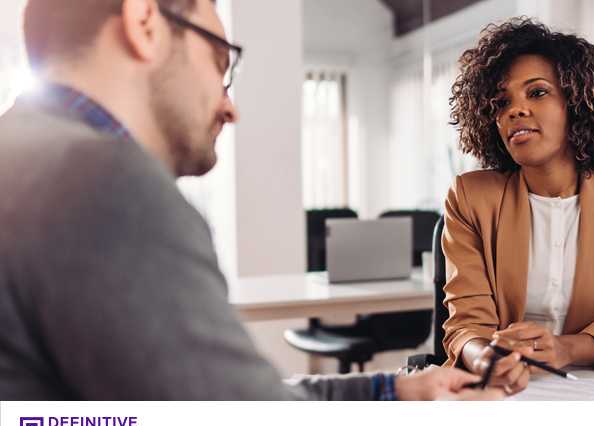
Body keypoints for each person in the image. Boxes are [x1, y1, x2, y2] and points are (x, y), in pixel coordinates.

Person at [0, 0, 503, 401]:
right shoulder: (105, 183)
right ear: (145, 21)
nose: (230, 106)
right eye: (221, 63)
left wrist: (389, 389)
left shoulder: (22, 158)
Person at [442, 18, 594, 394]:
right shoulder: (470, 196)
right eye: (502, 101)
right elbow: (467, 326)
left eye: (538, 93)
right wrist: (488, 361)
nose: (515, 110)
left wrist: (562, 349)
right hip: (504, 388)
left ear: (576, 104)